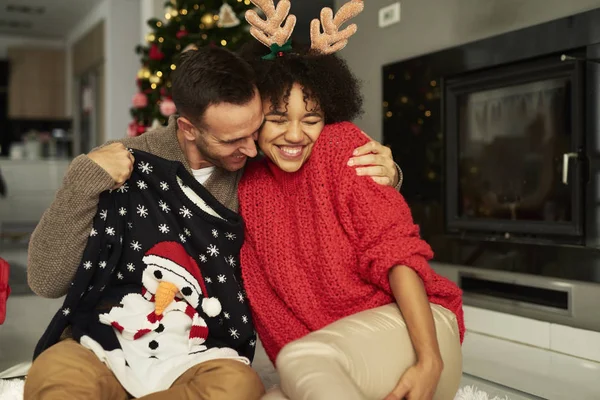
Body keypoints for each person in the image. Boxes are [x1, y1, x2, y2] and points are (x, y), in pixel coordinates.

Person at [24, 45, 402, 399]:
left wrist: (386, 172)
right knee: (54, 372)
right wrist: (81, 183)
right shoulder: (124, 163)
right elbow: (46, 280)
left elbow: (328, 178)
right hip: (105, 342)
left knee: (239, 385)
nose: (252, 149)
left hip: (197, 355)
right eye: (234, 139)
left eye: (255, 130)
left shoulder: (260, 168)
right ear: (188, 128)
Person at [237, 1, 464, 399]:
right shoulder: (246, 180)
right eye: (276, 119)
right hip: (332, 355)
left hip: (416, 336)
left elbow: (396, 253)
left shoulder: (342, 147)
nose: (294, 135)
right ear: (252, 117)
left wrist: (430, 360)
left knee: (297, 361)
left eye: (311, 119)